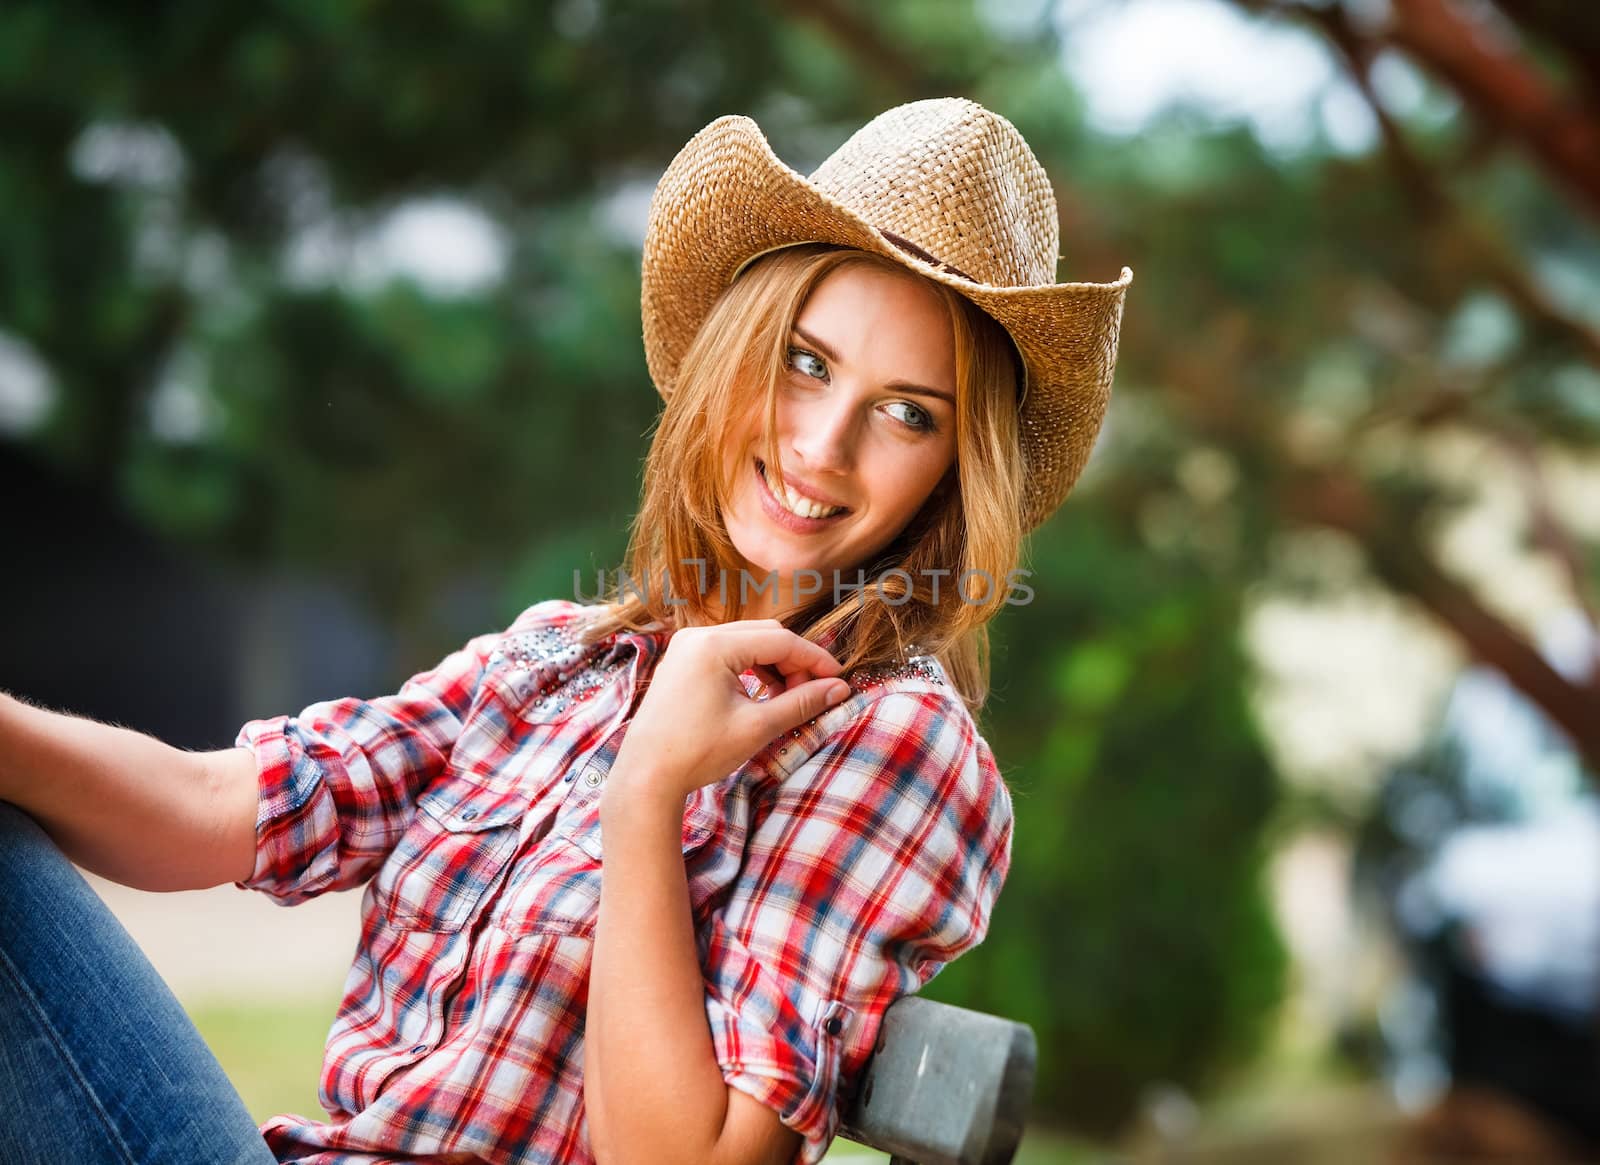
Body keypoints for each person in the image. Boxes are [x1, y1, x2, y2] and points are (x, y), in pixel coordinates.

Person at [0, 98, 1131, 1165]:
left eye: (905, 413)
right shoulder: (563, 659)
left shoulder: (890, 746)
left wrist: (647, 792)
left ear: (951, 468)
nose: (823, 446)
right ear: (736, 350)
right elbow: (213, 809)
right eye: (804, 361)